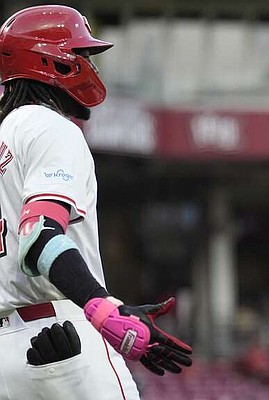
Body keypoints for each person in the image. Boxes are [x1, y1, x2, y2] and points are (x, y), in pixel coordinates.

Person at [0, 5, 192, 399]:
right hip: (62, 339)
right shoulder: (50, 126)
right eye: (82, 54)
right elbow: (38, 236)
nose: (90, 65)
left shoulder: (6, 135)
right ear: (54, 61)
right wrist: (105, 309)